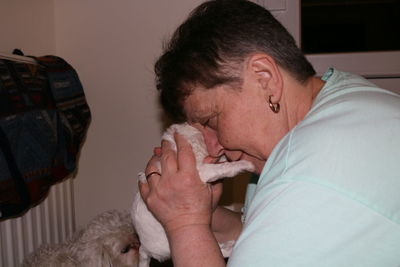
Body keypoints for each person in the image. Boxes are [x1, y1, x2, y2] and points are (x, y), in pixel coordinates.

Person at [138, 0, 400, 266]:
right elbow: (272, 237)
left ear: (265, 79)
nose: (214, 148)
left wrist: (185, 222)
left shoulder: (307, 177)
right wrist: (201, 211)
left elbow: (300, 203)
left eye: (212, 121)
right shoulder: (345, 97)